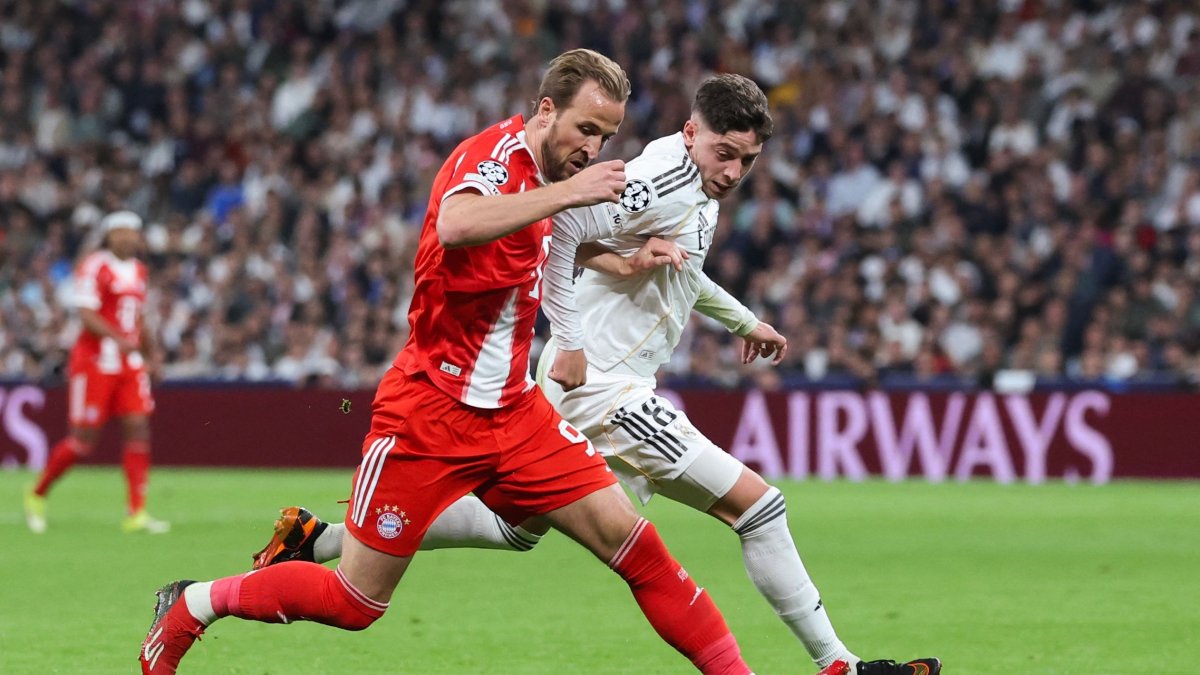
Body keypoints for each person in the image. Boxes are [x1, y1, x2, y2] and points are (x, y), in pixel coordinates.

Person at [249, 75, 941, 675]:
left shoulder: (700, 186)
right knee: (758, 506)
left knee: (513, 528)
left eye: (747, 161)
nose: (731, 172)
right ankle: (839, 663)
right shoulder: (662, 176)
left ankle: (316, 539)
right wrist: (573, 337)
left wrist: (743, 321)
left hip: (588, 385)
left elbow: (680, 270)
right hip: (605, 386)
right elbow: (568, 226)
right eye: (723, 153)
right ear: (689, 131)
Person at [139, 49, 753, 675]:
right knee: (355, 602)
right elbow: (457, 224)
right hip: (428, 412)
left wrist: (619, 258)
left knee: (640, 552)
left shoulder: (553, 183)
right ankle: (192, 604)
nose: (593, 148)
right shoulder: (491, 158)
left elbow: (556, 237)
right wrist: (569, 195)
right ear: (546, 110)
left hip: (515, 414)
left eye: (606, 136)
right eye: (585, 129)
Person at [24, 211, 168, 535]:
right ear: (109, 236)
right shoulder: (95, 266)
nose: (128, 237)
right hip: (95, 362)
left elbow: (140, 317)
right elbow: (86, 312)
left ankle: (137, 512)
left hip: (128, 364)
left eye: (133, 232)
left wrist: (152, 354)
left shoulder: (139, 271)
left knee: (138, 428)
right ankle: (37, 493)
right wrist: (119, 339)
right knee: (84, 441)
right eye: (121, 232)